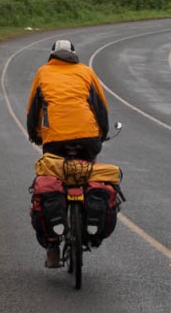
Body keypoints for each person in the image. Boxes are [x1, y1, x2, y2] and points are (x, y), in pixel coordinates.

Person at [26, 39, 110, 267]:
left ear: (52, 55)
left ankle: (53, 247)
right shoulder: (86, 72)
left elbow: (33, 110)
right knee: (89, 170)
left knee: (52, 180)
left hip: (54, 140)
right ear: (74, 54)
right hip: (87, 138)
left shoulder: (43, 73)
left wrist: (36, 135)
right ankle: (88, 221)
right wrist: (100, 134)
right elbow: (100, 107)